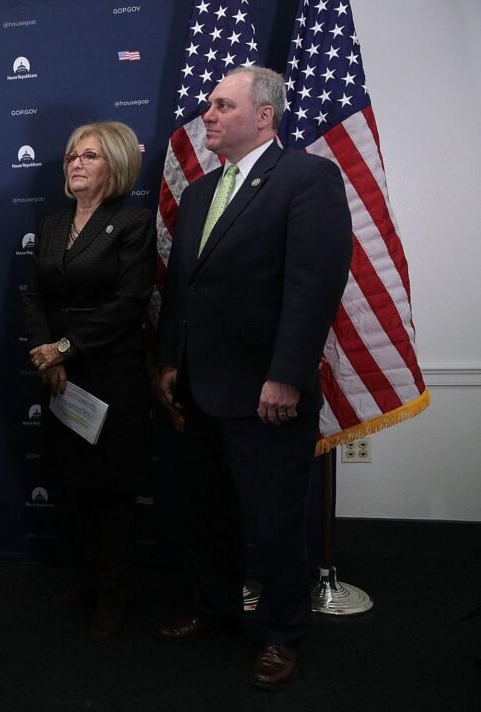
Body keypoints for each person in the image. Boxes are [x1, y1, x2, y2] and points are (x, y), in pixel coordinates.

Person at [154, 66, 353, 689]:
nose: (208, 115)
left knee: (274, 522)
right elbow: (183, 289)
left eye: (222, 106)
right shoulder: (197, 194)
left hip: (267, 390)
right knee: (208, 513)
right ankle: (216, 608)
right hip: (200, 387)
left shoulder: (308, 178)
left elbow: (313, 285)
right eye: (209, 105)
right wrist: (170, 361)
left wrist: (287, 375)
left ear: (264, 116)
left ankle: (281, 633)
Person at [21, 121, 156, 641]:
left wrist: (67, 347)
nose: (75, 163)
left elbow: (130, 302)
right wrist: (49, 356)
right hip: (58, 375)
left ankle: (114, 592)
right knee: (75, 484)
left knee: (111, 490)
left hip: (111, 371)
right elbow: (34, 295)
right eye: (72, 155)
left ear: (115, 164)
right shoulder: (52, 224)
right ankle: (89, 580)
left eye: (89, 156)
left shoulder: (133, 222)